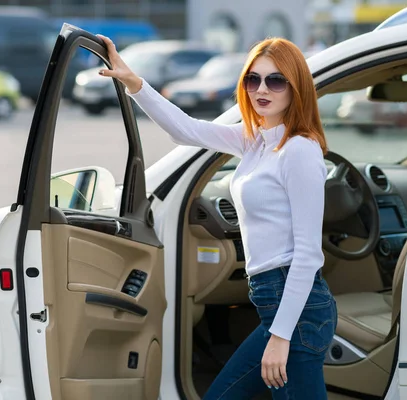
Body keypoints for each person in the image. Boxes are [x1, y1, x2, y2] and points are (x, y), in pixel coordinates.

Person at [97, 34, 338, 399]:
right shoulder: (255, 139)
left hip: (297, 310)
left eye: (275, 80)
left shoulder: (299, 151)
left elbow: (307, 255)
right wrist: (135, 83)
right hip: (276, 304)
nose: (262, 89)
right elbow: (185, 130)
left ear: (296, 87)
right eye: (252, 79)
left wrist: (281, 337)